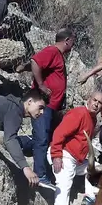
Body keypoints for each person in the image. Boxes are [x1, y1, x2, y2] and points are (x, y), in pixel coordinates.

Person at [17, 28, 76, 186]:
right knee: (42, 138)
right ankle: (40, 175)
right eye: (73, 41)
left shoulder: (57, 55)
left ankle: (18, 143)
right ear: (67, 40)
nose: (73, 45)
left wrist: (24, 67)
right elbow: (36, 61)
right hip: (44, 105)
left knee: (46, 138)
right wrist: (41, 85)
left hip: (53, 107)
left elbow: (38, 64)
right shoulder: (52, 51)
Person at [47, 91, 102, 205]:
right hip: (64, 154)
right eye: (94, 100)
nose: (96, 104)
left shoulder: (93, 120)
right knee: (65, 182)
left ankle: (90, 195)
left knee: (96, 168)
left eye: (100, 103)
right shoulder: (79, 113)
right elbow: (59, 133)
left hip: (77, 160)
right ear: (89, 100)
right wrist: (56, 155)